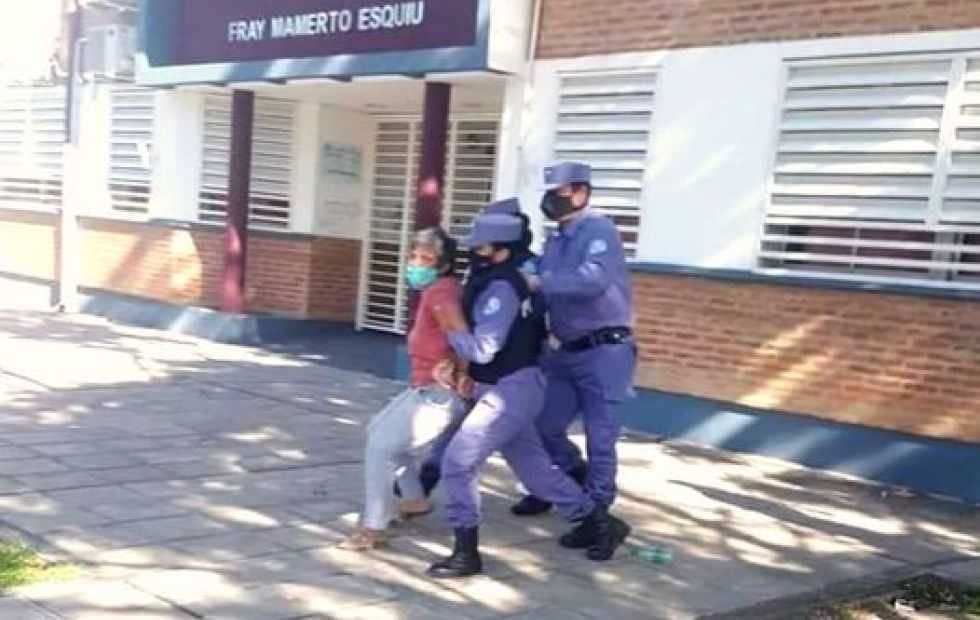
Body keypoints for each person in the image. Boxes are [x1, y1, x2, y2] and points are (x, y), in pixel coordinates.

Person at [427, 207, 618, 579]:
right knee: (534, 470)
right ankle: (598, 523)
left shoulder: (501, 286)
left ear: (502, 250)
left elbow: (484, 348)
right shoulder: (502, 279)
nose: (474, 253)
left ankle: (466, 554)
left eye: (481, 248)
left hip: (510, 389)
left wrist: (448, 329)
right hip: (506, 386)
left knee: (458, 461)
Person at [518, 162, 636, 551]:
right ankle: (576, 487)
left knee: (600, 439)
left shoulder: (598, 230)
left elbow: (593, 280)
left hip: (604, 351)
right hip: (563, 351)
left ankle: (598, 519)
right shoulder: (557, 238)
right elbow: (535, 273)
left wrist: (541, 282)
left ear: (583, 192)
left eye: (562, 192)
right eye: (550, 191)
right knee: (544, 427)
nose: (553, 198)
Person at [341, 227, 469, 551]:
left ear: (443, 264)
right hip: (423, 389)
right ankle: (414, 500)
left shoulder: (441, 293)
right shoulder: (438, 290)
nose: (416, 263)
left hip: (438, 395)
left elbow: (465, 339)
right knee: (378, 431)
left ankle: (374, 527)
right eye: (413, 256)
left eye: (426, 258)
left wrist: (459, 368)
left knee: (382, 447)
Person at [406, 198, 542, 500]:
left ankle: (575, 496)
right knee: (466, 441)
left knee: (484, 448)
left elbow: (487, 335)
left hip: (508, 373)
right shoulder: (483, 267)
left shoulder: (521, 270)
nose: (475, 248)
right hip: (481, 371)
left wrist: (455, 340)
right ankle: (423, 485)